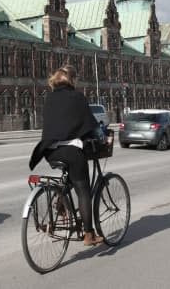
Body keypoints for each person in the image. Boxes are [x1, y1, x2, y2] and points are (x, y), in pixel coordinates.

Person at [29, 65, 104, 246]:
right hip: (71, 150)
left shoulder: (49, 98)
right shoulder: (77, 97)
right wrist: (101, 137)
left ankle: (60, 197)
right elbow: (90, 126)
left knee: (72, 177)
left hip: (50, 151)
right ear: (72, 80)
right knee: (83, 190)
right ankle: (88, 234)